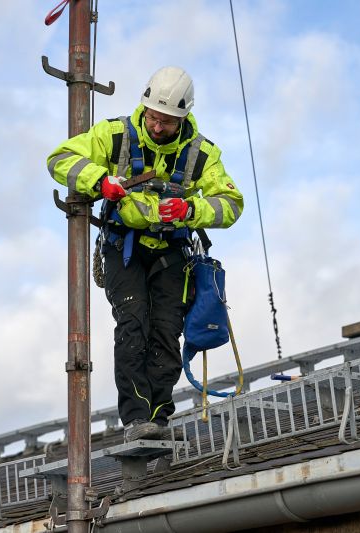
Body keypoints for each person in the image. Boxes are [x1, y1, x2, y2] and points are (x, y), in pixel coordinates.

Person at [47, 66, 243, 441]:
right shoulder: (117, 134)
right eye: (154, 117)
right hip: (126, 249)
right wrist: (101, 183)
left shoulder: (201, 154)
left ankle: (159, 419)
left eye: (167, 122)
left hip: (172, 253)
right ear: (145, 107)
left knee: (167, 333)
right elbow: (60, 160)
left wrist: (190, 210)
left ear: (183, 118)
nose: (157, 127)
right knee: (133, 327)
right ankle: (137, 420)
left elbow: (231, 203)